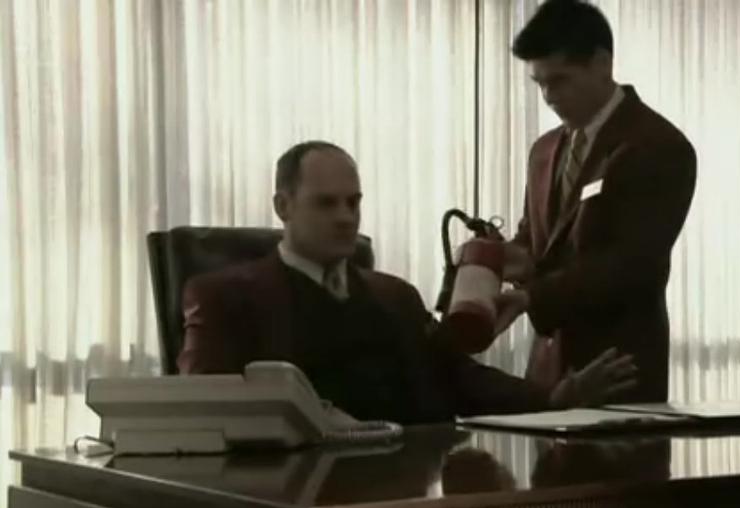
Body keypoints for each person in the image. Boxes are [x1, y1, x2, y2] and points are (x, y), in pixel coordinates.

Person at [178, 141, 637, 424]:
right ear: (283, 206)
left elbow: (457, 376)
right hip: (296, 498)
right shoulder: (224, 297)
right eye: (326, 203)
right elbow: (206, 415)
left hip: (409, 484)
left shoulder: (393, 295)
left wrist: (553, 399)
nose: (346, 218)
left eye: (353, 203)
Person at [495, 0, 697, 404]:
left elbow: (631, 263)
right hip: (547, 373)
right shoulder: (543, 151)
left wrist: (533, 297)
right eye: (539, 84)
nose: (548, 96)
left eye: (559, 81)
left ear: (602, 64)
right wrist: (496, 260)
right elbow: (536, 241)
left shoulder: (658, 145)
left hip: (616, 369)